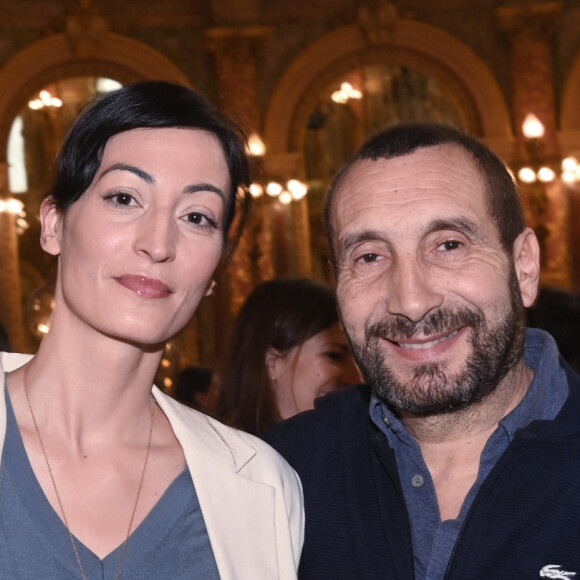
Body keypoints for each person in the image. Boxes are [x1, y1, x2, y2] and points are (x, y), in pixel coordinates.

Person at [1, 81, 303, 579]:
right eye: (125, 197)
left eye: (197, 216)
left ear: (213, 273)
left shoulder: (262, 487)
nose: (159, 243)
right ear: (53, 224)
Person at [264, 122, 580, 579]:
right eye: (370, 256)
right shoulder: (279, 476)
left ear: (524, 267)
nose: (411, 302)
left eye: (449, 245)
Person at [211, 277, 360, 435]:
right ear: (272, 363)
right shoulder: (231, 456)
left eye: (358, 359)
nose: (356, 377)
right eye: (334, 355)